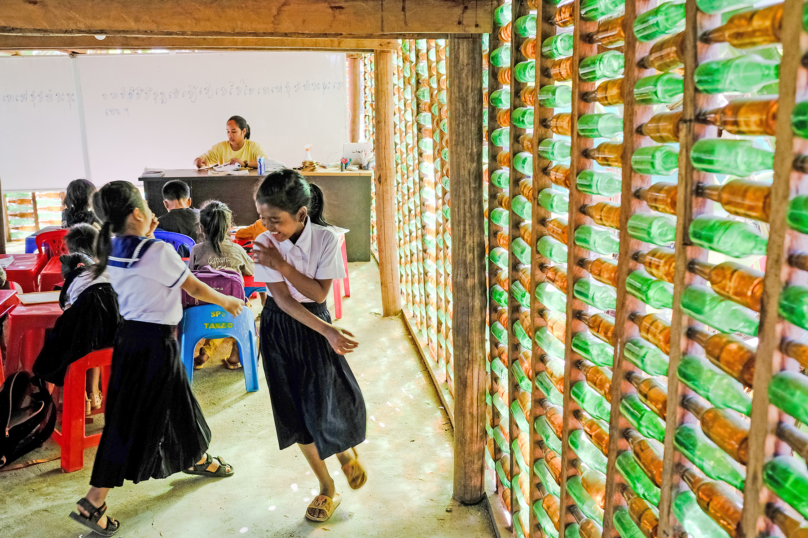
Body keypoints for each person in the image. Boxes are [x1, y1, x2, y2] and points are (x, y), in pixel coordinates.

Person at [68, 181, 244, 537]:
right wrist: (227, 301)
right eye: (148, 209)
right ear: (137, 213)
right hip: (156, 343)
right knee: (128, 422)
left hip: (130, 339)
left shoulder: (111, 248)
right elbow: (192, 287)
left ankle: (194, 457)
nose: (154, 214)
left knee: (179, 401)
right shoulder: (157, 251)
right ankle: (93, 500)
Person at [252, 169, 366, 523]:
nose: (268, 227)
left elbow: (317, 293)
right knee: (295, 414)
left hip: (315, 325)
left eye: (276, 220)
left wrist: (282, 264)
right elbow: (284, 300)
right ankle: (326, 485)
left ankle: (345, 455)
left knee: (325, 399)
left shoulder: (326, 240)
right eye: (262, 218)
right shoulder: (265, 242)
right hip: (279, 327)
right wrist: (327, 330)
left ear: (301, 214)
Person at [33, 224, 121, 416]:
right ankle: (94, 392)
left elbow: (68, 309)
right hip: (117, 332)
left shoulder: (74, 275)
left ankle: (80, 397)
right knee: (93, 337)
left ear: (70, 251)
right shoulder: (108, 268)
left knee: (72, 339)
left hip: (88, 333)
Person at [189, 200, 254, 370]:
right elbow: (251, 270)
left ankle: (206, 351)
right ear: (229, 227)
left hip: (199, 310)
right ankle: (235, 357)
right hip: (233, 310)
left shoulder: (196, 250)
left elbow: (191, 275)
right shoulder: (237, 250)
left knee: (216, 310)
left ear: (201, 227)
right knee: (247, 308)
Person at [193, 115, 284, 170]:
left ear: (243, 131)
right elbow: (201, 161)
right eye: (228, 131)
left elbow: (266, 163)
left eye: (234, 131)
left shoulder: (254, 147)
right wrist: (198, 162)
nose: (230, 135)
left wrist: (245, 163)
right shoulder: (219, 147)